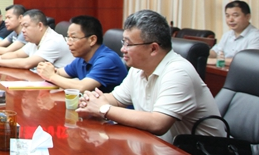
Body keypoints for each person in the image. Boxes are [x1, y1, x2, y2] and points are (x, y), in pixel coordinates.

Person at [77, 9, 225, 143]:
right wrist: (90, 101)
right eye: (123, 42)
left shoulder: (178, 72)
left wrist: (104, 109)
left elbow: (158, 123)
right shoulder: (137, 69)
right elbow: (116, 99)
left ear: (153, 48)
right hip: (160, 149)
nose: (122, 49)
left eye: (128, 44)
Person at [36, 15, 127, 93]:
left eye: (73, 37)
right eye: (68, 37)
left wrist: (51, 76)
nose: (68, 43)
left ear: (92, 40)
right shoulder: (81, 59)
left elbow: (82, 87)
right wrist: (47, 69)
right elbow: (60, 72)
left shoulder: (107, 60)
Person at [0, 9, 73, 69]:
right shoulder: (35, 39)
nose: (23, 30)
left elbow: (27, 63)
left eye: (26, 26)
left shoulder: (53, 41)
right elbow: (17, 54)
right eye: (22, 26)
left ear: (40, 26)